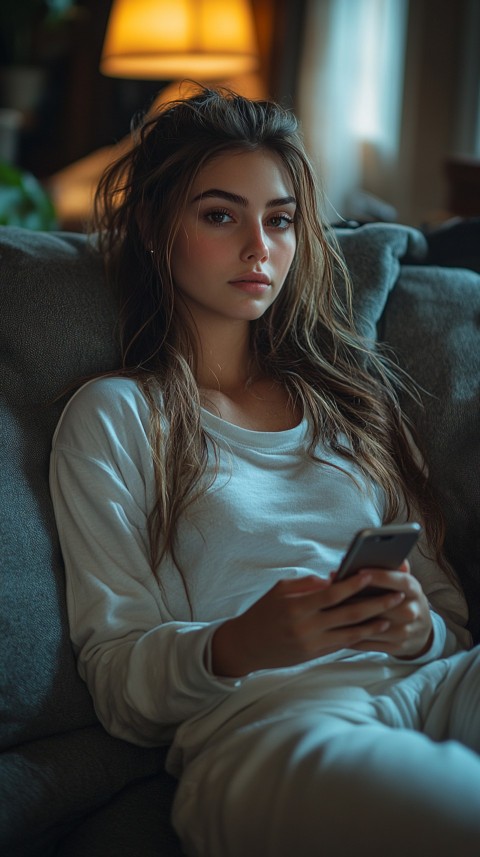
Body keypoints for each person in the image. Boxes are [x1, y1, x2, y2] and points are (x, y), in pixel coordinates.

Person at [49, 87, 480, 857]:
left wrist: (419, 630)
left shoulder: (352, 406)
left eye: (278, 219)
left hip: (434, 687)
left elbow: (449, 626)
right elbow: (118, 683)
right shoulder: (115, 417)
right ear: (154, 226)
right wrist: (240, 643)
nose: (260, 248)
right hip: (274, 723)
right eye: (221, 215)